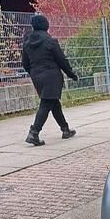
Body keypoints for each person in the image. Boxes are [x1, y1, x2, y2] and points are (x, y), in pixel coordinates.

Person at [21, 14, 78, 146]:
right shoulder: (50, 41)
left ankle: (65, 129)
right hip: (51, 75)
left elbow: (25, 63)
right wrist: (71, 74)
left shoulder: (27, 42)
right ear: (46, 25)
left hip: (37, 76)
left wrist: (34, 73)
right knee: (46, 103)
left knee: (53, 103)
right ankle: (34, 133)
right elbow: (61, 60)